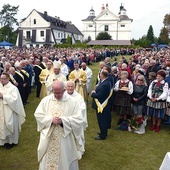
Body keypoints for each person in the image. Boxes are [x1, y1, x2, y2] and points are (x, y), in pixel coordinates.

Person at [34, 81, 84, 170]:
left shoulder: (72, 102)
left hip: (65, 138)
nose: (56, 95)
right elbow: (38, 114)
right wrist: (50, 120)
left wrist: (63, 121)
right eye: (54, 92)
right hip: (49, 136)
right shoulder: (46, 100)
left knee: (64, 159)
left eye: (59, 93)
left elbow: (78, 119)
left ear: (64, 90)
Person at [0, 72, 25, 149]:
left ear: (8, 79)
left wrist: (3, 96)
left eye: (3, 79)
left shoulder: (13, 88)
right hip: (1, 109)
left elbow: (15, 99)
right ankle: (2, 141)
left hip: (10, 110)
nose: (1, 80)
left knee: (9, 124)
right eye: (1, 78)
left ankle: (11, 142)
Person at [66, 81, 87, 154]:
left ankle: (79, 150)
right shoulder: (63, 96)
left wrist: (74, 113)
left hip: (76, 120)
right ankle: (68, 150)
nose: (70, 88)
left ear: (74, 87)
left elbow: (82, 107)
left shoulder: (78, 97)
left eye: (72, 86)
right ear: (66, 87)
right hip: (66, 120)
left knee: (77, 135)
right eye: (68, 86)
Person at [91, 70, 112, 140]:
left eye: (100, 74)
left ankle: (103, 135)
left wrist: (93, 94)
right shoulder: (106, 82)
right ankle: (102, 132)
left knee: (102, 120)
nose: (99, 75)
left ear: (103, 75)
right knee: (102, 120)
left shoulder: (105, 84)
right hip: (102, 105)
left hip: (102, 105)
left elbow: (100, 95)